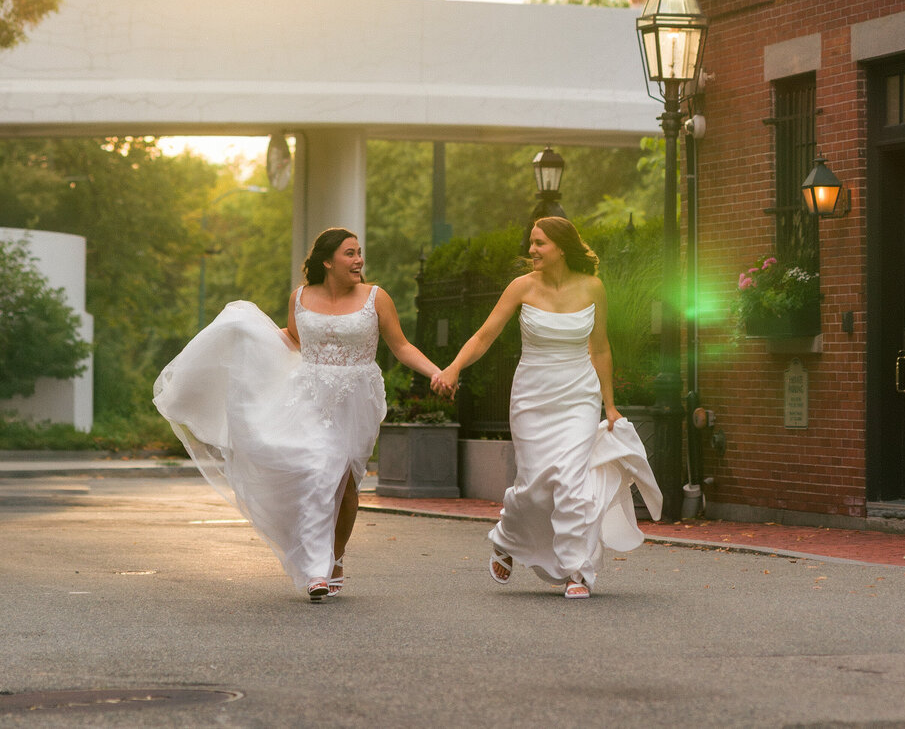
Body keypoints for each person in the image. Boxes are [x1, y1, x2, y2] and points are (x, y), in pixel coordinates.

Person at [154, 226, 446, 602]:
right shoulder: (301, 297)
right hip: (309, 395)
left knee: (347, 487)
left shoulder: (376, 297)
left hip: (357, 399)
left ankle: (335, 556)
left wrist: (436, 372)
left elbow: (401, 346)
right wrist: (248, 338)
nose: (359, 260)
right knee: (318, 469)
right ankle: (315, 570)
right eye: (350, 253)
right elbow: (293, 338)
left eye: (359, 253)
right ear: (328, 261)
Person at [433, 216, 662, 599]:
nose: (532, 250)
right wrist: (454, 368)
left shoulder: (593, 287)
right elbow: (485, 335)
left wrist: (609, 405)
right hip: (532, 396)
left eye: (539, 243)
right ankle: (507, 537)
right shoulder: (522, 287)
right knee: (534, 486)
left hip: (579, 395)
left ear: (561, 247)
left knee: (571, 482)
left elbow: (600, 348)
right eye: (532, 242)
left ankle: (577, 570)